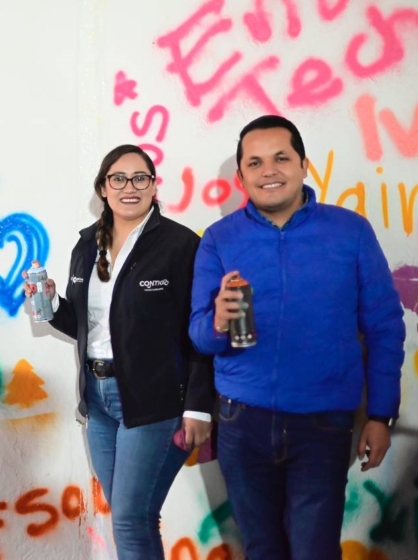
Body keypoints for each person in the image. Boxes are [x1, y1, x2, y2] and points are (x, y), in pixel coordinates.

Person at [189, 115, 405, 559]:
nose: (269, 171)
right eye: (255, 162)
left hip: (323, 423)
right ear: (241, 176)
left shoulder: (351, 231)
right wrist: (216, 323)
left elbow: (384, 327)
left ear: (304, 164)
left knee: (314, 550)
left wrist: (381, 415)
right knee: (262, 548)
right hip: (240, 423)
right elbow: (198, 338)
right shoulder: (218, 239)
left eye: (281, 158)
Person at [24, 145, 214, 559]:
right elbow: (84, 325)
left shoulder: (181, 245)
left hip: (154, 401)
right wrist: (53, 305)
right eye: (119, 178)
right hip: (97, 399)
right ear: (103, 188)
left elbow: (201, 330)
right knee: (134, 516)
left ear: (153, 185)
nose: (130, 187)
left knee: (130, 519)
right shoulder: (86, 246)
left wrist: (199, 406)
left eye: (140, 177)